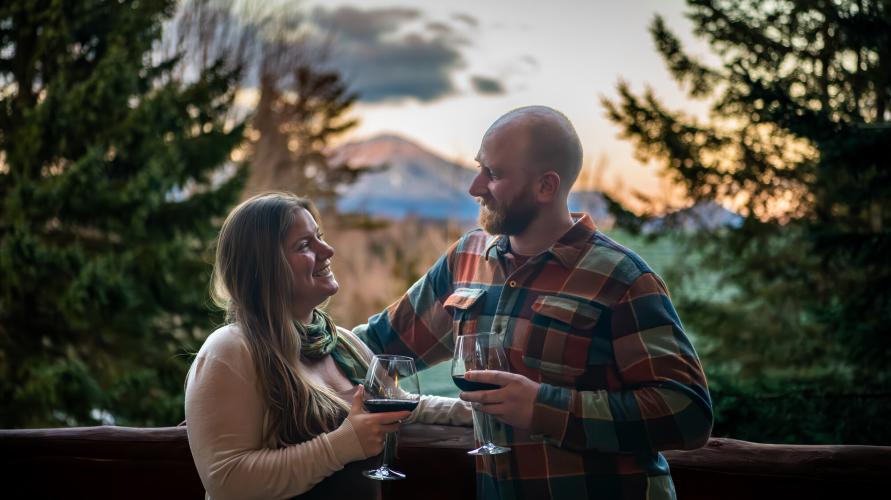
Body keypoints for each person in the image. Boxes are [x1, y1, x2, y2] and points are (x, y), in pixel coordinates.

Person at [355, 106, 713, 499]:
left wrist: (542, 407)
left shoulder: (622, 278)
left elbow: (688, 412)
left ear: (546, 186)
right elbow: (370, 347)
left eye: (493, 174)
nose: (475, 187)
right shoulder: (467, 259)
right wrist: (285, 339)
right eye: (479, 168)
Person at [185, 192, 470, 500]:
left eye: (318, 237)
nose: (328, 250)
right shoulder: (231, 350)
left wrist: (475, 413)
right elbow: (227, 480)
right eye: (305, 245)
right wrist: (342, 445)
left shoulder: (342, 343)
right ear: (263, 267)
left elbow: (402, 405)